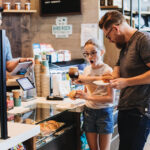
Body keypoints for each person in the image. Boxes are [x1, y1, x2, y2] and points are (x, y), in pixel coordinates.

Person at [98, 10, 150, 150]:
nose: (110, 40)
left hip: (140, 110)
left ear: (115, 28)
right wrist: (111, 77)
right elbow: (118, 68)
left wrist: (126, 82)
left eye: (108, 36)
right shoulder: (126, 45)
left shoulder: (143, 40)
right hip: (126, 108)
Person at [74, 39, 114, 150]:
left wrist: (87, 97)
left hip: (104, 113)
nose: (90, 57)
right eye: (86, 54)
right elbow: (86, 92)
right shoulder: (86, 70)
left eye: (93, 52)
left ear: (101, 52)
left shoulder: (107, 71)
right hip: (89, 112)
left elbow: (110, 99)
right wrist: (80, 94)